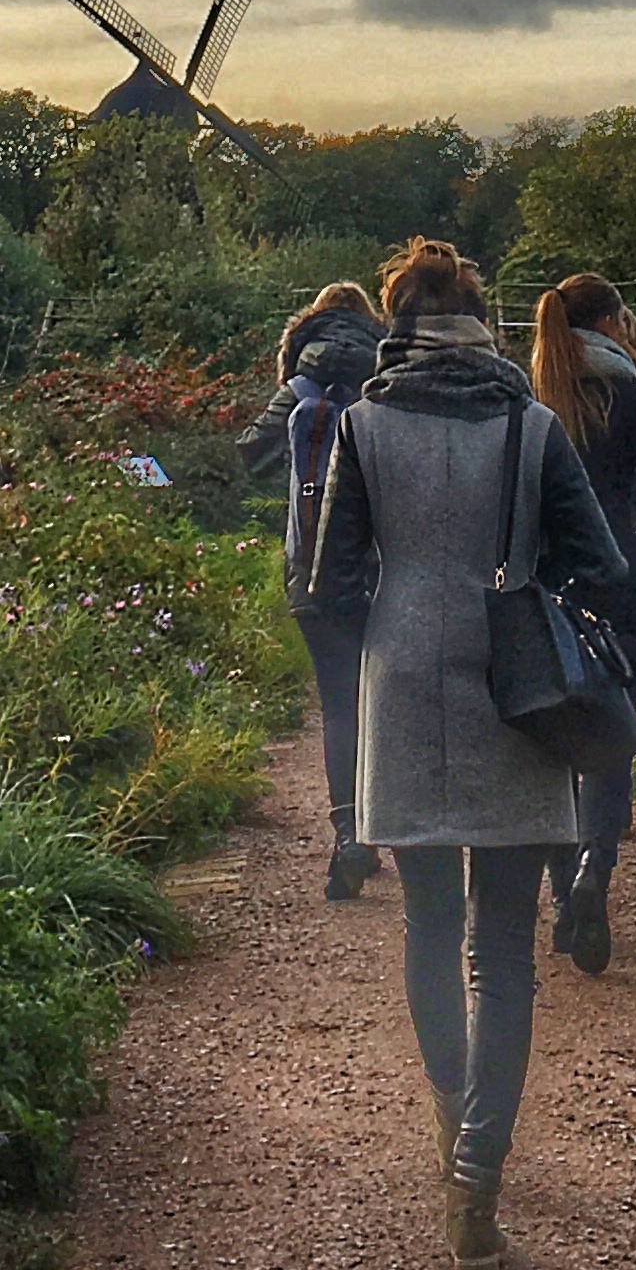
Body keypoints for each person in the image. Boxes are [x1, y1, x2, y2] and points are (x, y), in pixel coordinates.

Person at [303, 235, 625, 1270]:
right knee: (505, 952)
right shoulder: (532, 426)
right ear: (482, 323)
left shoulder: (363, 424)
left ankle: (454, 1125)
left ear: (397, 324)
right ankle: (479, 1176)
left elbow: (329, 586)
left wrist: (393, 622)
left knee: (432, 928)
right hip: (517, 690)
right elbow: (602, 566)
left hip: (404, 686)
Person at [527, 272, 636, 969]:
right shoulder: (633, 396)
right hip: (619, 588)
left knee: (551, 745)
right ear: (608, 323)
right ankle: (594, 870)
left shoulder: (534, 397)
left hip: (547, 592)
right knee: (606, 739)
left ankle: (562, 898)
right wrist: (634, 563)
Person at [253, 278, 389, 898]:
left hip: (311, 566)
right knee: (383, 701)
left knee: (338, 703)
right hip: (383, 569)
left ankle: (348, 836)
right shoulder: (386, 376)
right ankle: (392, 824)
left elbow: (249, 452)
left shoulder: (300, 386)